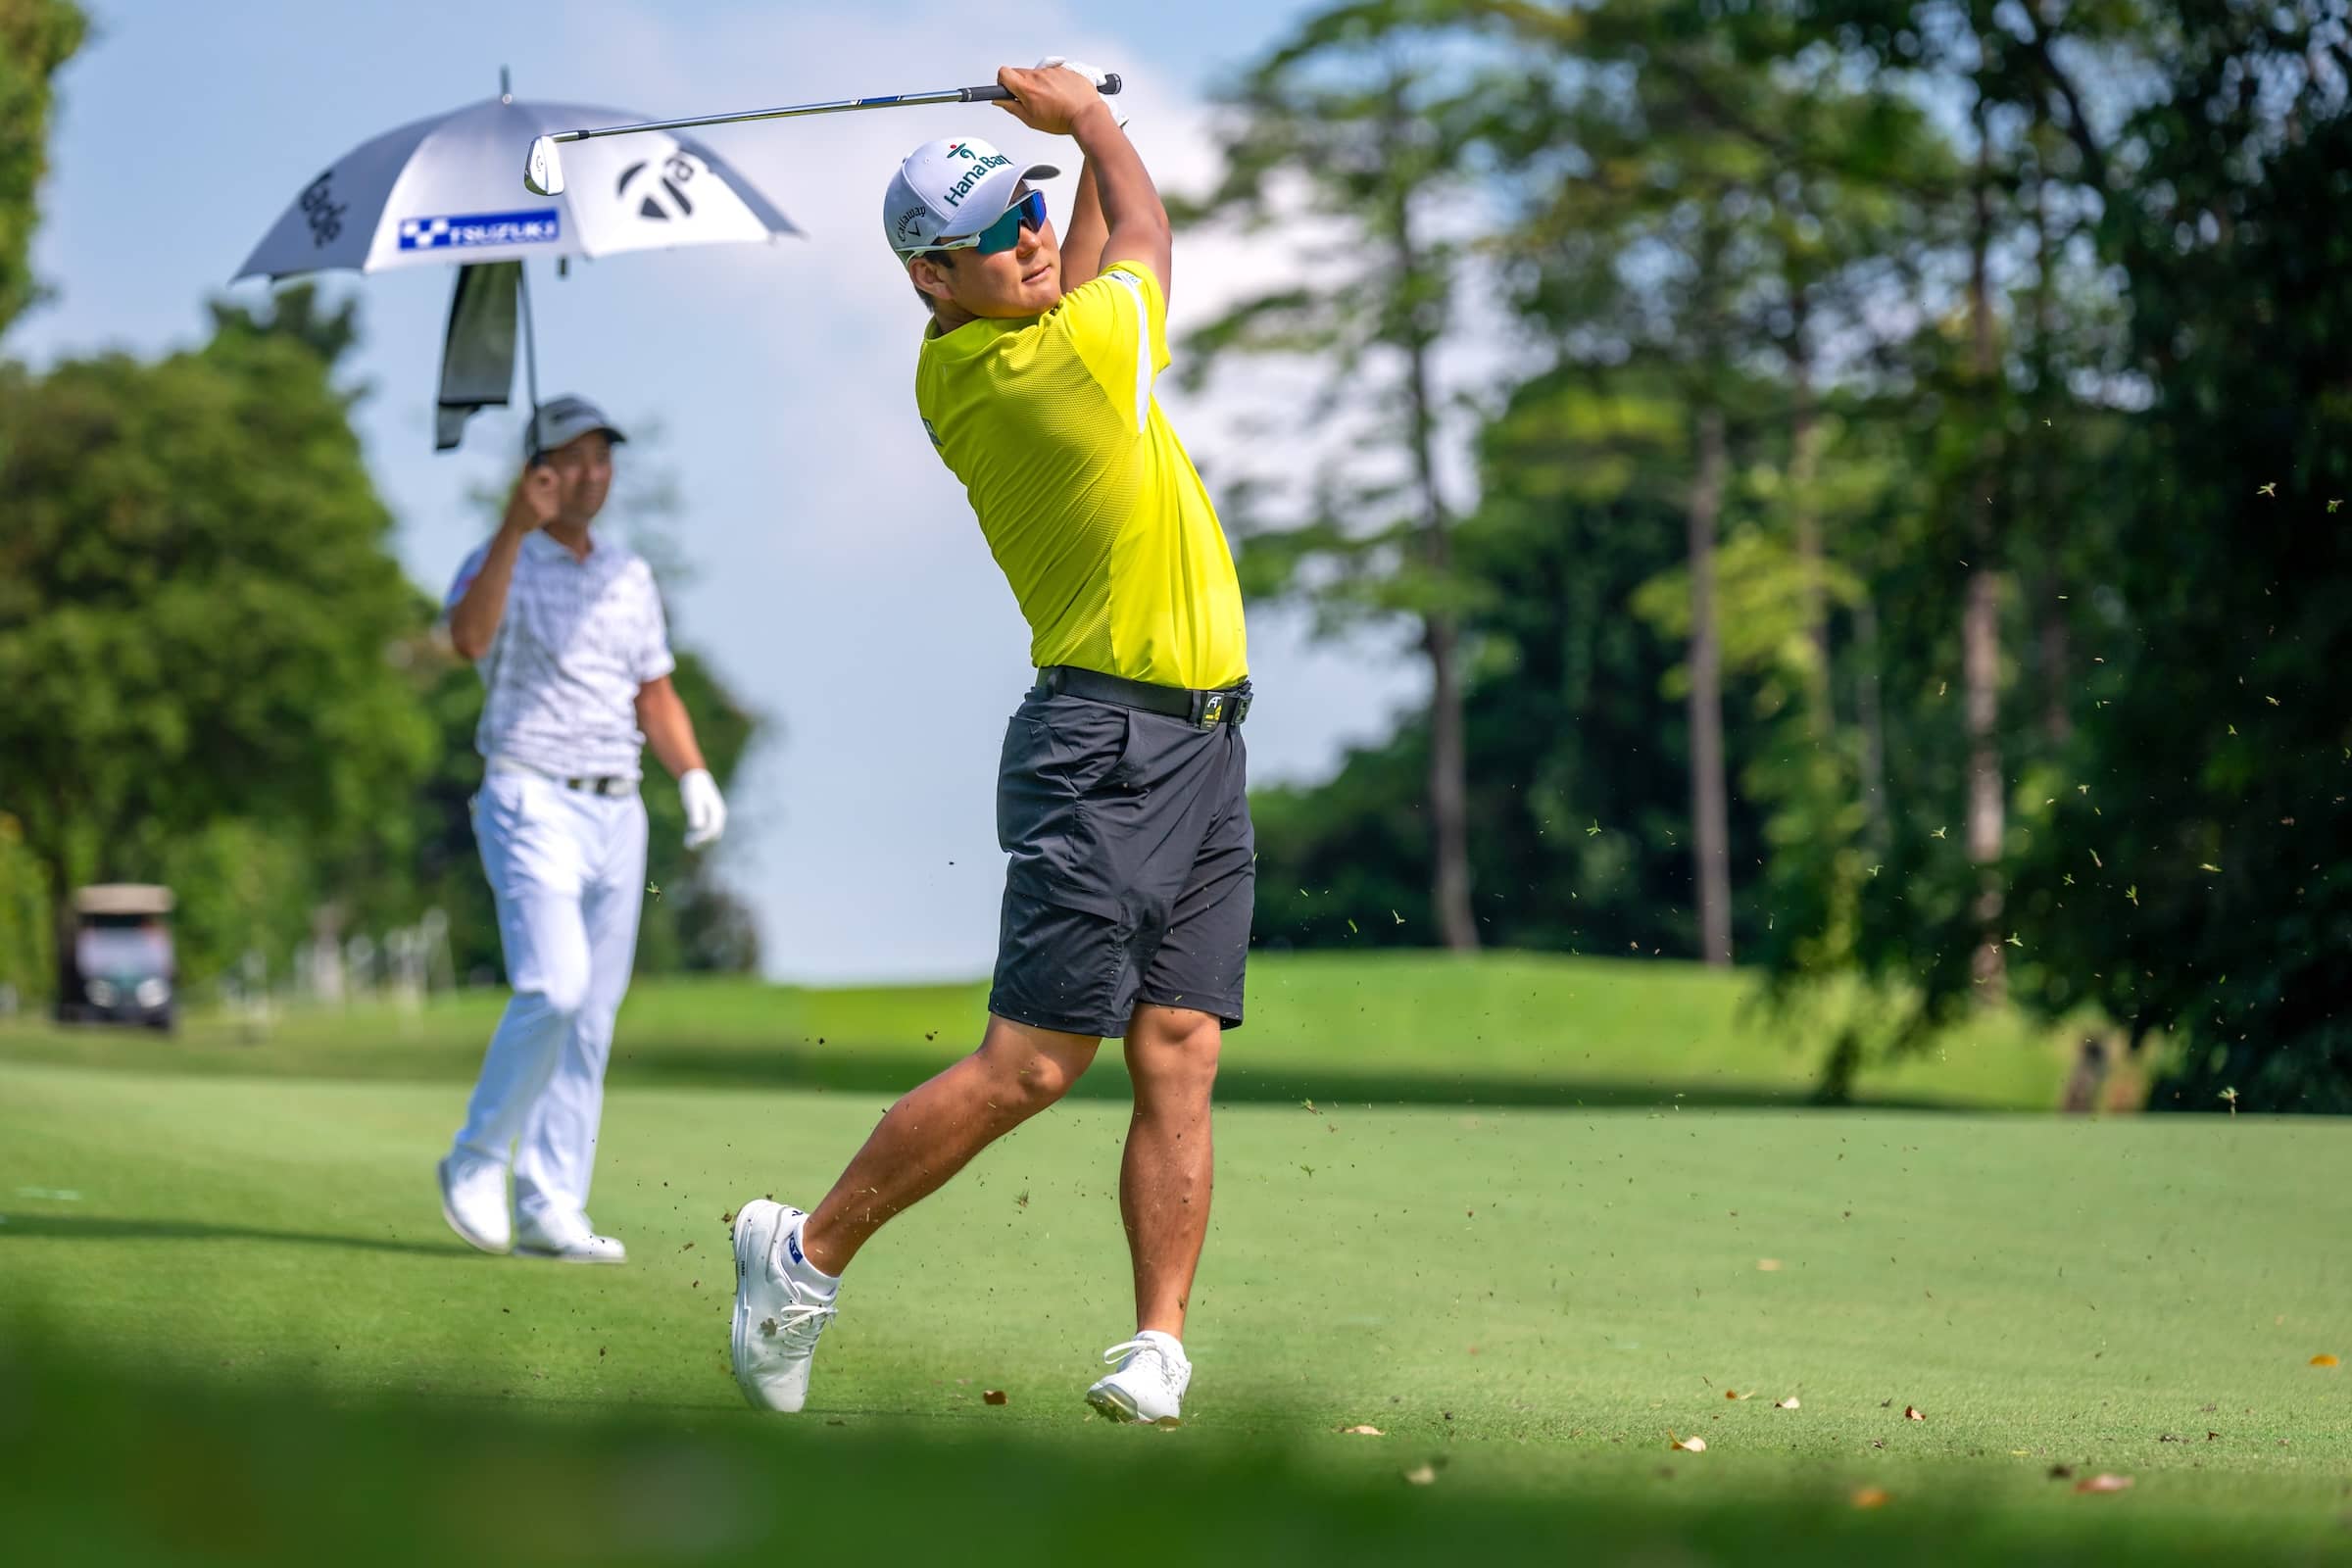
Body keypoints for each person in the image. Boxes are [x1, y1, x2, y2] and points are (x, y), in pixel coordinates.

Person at [729, 61, 1252, 1424]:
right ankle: (802, 1257)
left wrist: (1062, 158)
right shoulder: (1046, 371)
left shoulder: (1007, 337)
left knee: (1181, 1040)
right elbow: (1141, 241)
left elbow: (1073, 260)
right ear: (929, 280)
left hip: (1200, 744)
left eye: (1029, 216)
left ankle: (1157, 1345)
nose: (1029, 242)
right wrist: (1088, 126)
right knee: (1034, 1065)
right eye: (994, 238)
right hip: (1106, 745)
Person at [435, 396, 729, 1264]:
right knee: (554, 988)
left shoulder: (630, 574)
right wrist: (510, 528)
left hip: (618, 806)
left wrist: (695, 773)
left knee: (591, 1018)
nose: (596, 474)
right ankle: (476, 1157)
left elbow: (655, 691)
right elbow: (466, 637)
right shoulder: (499, 559)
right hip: (530, 794)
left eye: (605, 458)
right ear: (541, 471)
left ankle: (552, 1204)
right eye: (577, 458)